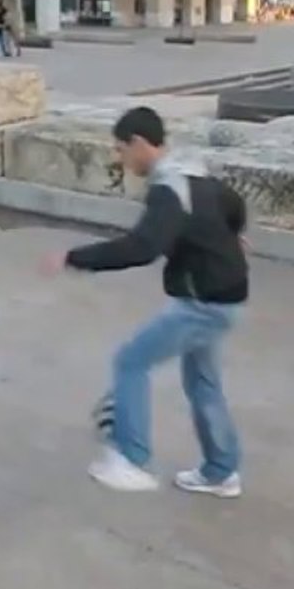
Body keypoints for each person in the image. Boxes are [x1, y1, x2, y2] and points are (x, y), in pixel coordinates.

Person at [41, 107, 249, 498]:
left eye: (120, 150)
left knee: (131, 360)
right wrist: (232, 235)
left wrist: (74, 258)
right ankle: (221, 471)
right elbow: (233, 204)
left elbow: (143, 247)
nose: (120, 159)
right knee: (203, 383)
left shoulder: (167, 189)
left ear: (138, 143)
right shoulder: (193, 170)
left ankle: (131, 458)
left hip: (204, 302)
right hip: (226, 294)